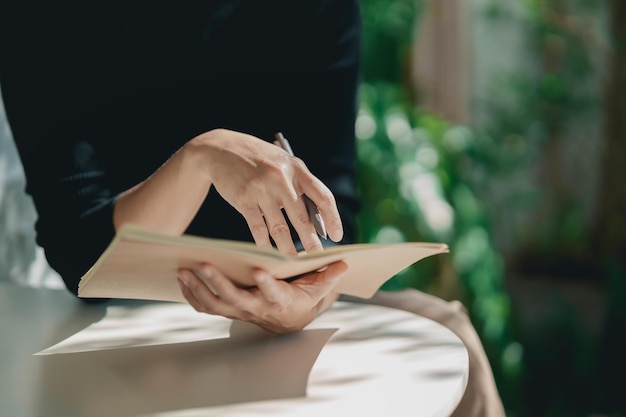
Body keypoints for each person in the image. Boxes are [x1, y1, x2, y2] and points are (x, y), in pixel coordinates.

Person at [0, 1, 505, 415]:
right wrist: (199, 161)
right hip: (127, 319)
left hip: (273, 297)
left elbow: (336, 216)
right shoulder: (47, 15)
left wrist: (308, 302)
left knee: (449, 331)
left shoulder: (318, 13)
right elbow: (85, 257)